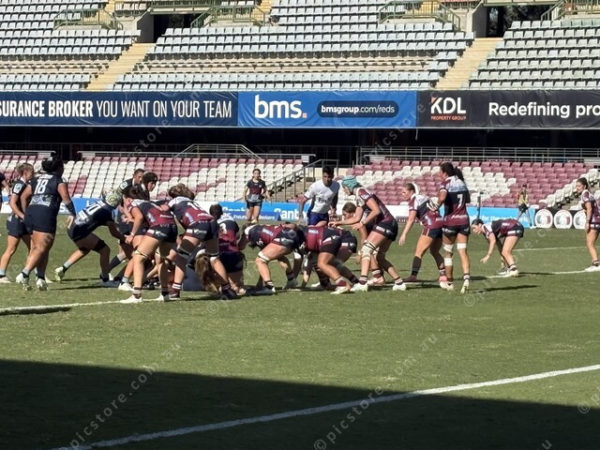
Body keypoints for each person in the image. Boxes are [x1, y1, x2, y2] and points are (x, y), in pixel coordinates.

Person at [330, 175, 406, 292]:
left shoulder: (361, 192)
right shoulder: (359, 195)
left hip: (385, 223)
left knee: (366, 249)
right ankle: (399, 283)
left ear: (349, 186)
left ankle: (362, 282)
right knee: (379, 257)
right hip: (391, 224)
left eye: (344, 188)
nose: (344, 190)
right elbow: (356, 218)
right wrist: (339, 223)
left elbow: (376, 210)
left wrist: (363, 223)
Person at [163, 184, 237, 300]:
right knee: (214, 258)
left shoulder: (175, 200)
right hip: (212, 223)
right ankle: (227, 289)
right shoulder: (192, 203)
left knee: (181, 257)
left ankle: (175, 291)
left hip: (198, 224)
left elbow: (163, 209)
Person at [16, 157, 76, 291]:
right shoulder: (58, 180)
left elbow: (24, 196)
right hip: (45, 215)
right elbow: (66, 198)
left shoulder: (36, 179)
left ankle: (40, 278)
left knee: (39, 248)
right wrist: (73, 213)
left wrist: (26, 213)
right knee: (41, 247)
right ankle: (24, 274)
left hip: (31, 213)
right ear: (59, 168)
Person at [120, 186, 178, 303]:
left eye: (124, 200)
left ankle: (136, 295)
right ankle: (165, 293)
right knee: (161, 259)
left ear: (128, 199)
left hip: (159, 227)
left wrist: (132, 234)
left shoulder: (133, 203)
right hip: (172, 227)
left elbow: (139, 217)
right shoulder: (149, 203)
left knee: (138, 257)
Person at [54, 191, 125, 285]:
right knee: (105, 250)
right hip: (80, 231)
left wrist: (115, 224)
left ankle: (62, 268)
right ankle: (105, 279)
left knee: (84, 249)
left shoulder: (100, 203)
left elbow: (99, 219)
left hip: (73, 227)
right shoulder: (107, 211)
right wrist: (124, 238)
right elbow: (113, 233)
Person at [398, 183, 446, 284]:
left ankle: (413, 276)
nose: (402, 194)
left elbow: (411, 219)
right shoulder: (424, 197)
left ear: (411, 191)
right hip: (441, 224)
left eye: (404, 192)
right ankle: (443, 275)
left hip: (431, 225)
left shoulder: (414, 200)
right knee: (435, 251)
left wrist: (404, 234)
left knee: (418, 253)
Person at [238, 223, 305, 294]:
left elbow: (240, 246)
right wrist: (259, 283)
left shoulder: (248, 230)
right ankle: (291, 280)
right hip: (291, 237)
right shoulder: (262, 229)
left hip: (283, 238)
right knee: (279, 257)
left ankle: (269, 287)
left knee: (260, 260)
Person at [435, 162, 471, 293]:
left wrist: (436, 206)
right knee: (463, 251)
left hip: (450, 222)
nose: (439, 174)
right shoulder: (461, 182)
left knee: (448, 253)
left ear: (445, 173)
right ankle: (466, 278)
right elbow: (468, 199)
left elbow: (442, 197)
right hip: (464, 220)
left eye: (440, 172)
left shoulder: (445, 183)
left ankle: (449, 282)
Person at [0, 163, 34, 283]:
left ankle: (30, 273)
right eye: (32, 172)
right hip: (16, 221)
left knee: (33, 248)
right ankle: (1, 275)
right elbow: (12, 202)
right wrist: (22, 215)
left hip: (23, 221)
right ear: (25, 173)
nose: (33, 174)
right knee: (11, 249)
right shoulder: (19, 185)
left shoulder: (26, 184)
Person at [303, 225, 357, 294]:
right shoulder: (310, 235)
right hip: (333, 238)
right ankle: (325, 284)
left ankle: (348, 283)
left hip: (344, 238)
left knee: (329, 263)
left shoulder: (309, 234)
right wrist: (303, 286)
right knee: (321, 262)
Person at [210, 204, 245, 295]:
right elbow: (237, 236)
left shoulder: (211, 222)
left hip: (219, 254)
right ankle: (236, 286)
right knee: (236, 287)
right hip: (233, 253)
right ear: (222, 212)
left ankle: (223, 286)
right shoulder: (231, 219)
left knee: (222, 286)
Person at [575, 177, 600, 272]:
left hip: (594, 221)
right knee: (590, 243)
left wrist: (587, 222)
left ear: (584, 186)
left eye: (579, 186)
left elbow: (589, 208)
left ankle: (596, 264)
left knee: (590, 243)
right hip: (597, 220)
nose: (577, 188)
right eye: (576, 186)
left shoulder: (585, 194)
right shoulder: (588, 194)